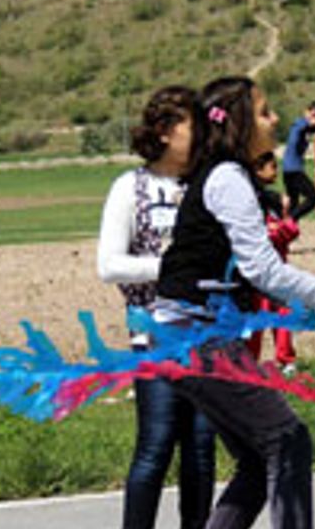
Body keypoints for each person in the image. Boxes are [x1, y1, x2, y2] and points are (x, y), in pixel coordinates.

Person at [156, 76, 315, 529]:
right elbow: (265, 271)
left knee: (256, 458)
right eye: (264, 112)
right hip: (194, 334)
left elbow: (254, 276)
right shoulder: (227, 178)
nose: (275, 118)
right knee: (286, 439)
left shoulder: (227, 176)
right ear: (238, 124)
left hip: (185, 334)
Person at [97, 86, 215, 529]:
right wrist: (170, 267)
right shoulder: (131, 187)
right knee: (157, 444)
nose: (201, 137)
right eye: (192, 127)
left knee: (201, 449)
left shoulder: (207, 184)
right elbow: (109, 265)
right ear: (164, 131)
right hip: (154, 337)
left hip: (208, 335)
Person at [245, 151, 300, 376]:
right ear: (257, 170)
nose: (276, 171)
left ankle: (286, 360)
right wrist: (271, 232)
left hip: (278, 271)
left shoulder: (276, 201)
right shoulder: (248, 202)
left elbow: (291, 230)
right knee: (256, 320)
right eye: (272, 167)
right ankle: (248, 363)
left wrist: (283, 224)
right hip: (255, 275)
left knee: (283, 314)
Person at [281, 97, 315, 221]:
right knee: (313, 197)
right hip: (293, 170)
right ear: (306, 112)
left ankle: (287, 224)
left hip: (291, 169)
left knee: (294, 204)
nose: (313, 117)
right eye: (312, 113)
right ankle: (289, 220)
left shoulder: (308, 127)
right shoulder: (300, 123)